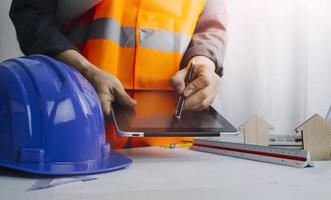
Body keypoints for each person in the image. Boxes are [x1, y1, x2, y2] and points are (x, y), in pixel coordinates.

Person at [9, 0, 228, 148]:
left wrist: (204, 60)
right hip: (80, 127)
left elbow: (210, 25)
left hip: (172, 142)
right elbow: (30, 12)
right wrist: (84, 71)